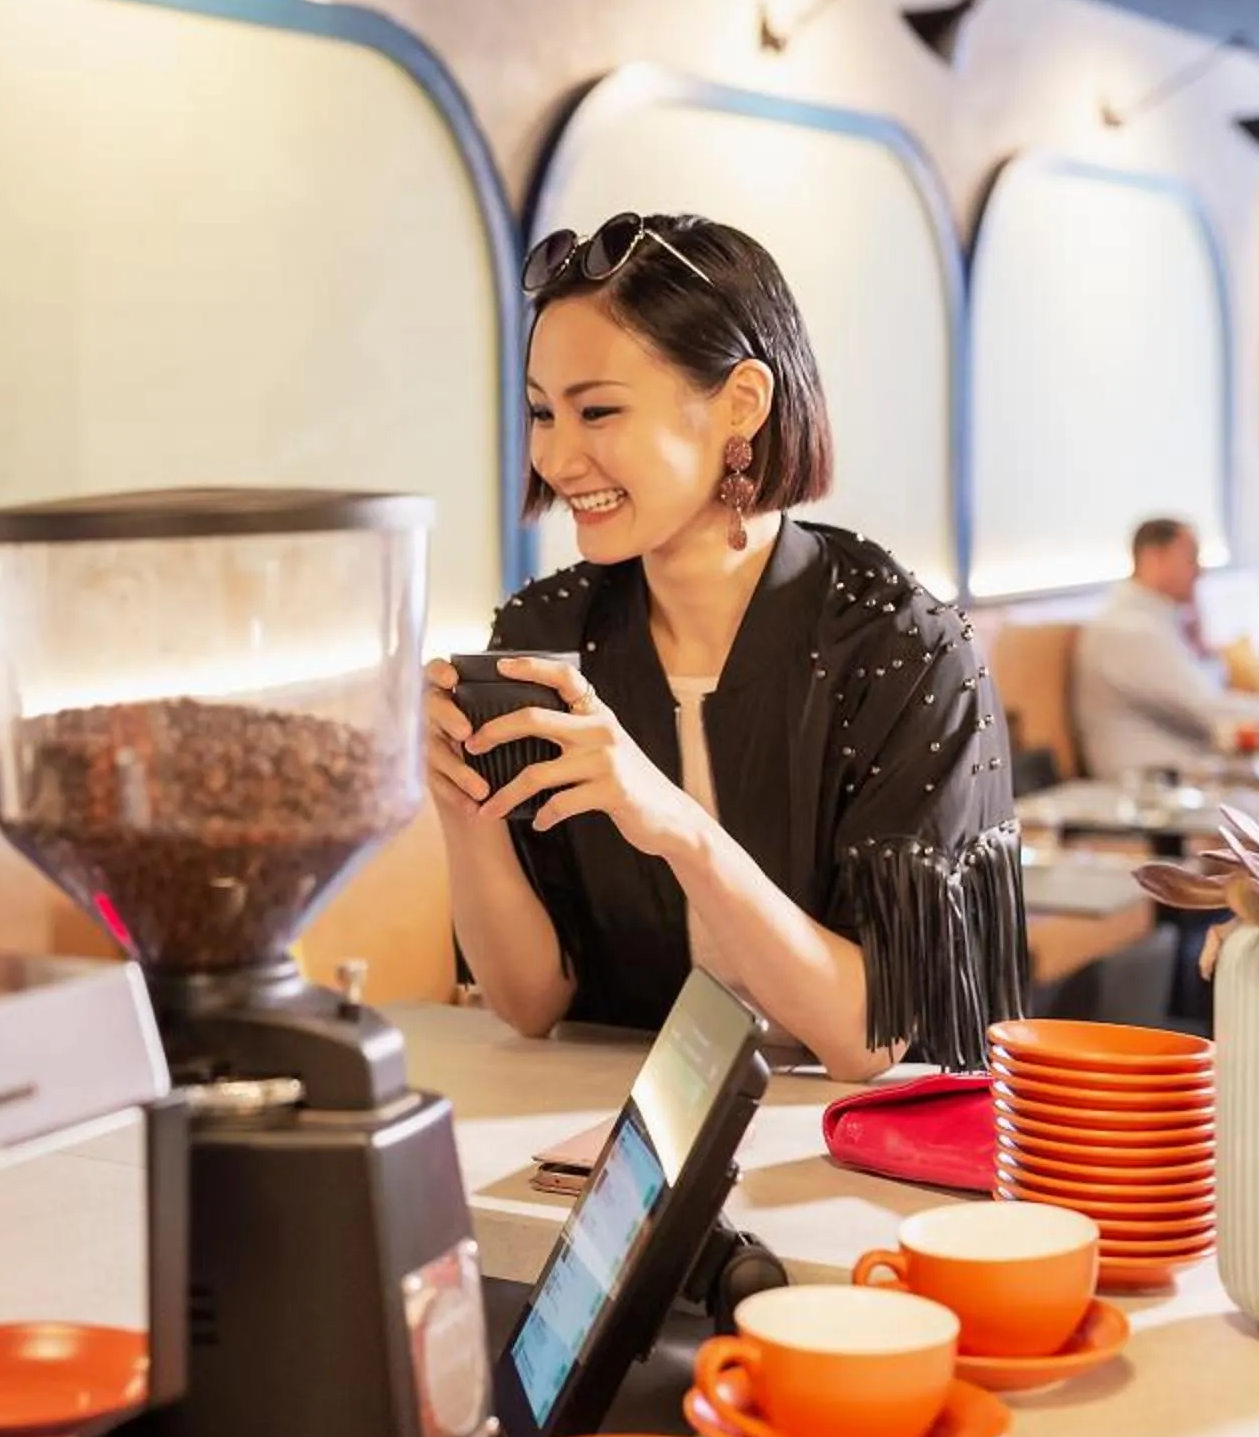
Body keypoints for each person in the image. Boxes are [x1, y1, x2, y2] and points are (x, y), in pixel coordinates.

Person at [424, 213, 1025, 1078]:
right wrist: (464, 809)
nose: (555, 457)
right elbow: (529, 1004)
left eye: (598, 411)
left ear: (741, 402)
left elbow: (868, 1037)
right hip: (636, 1127)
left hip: (858, 1137)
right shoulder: (546, 634)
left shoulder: (903, 649)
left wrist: (674, 823)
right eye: (542, 412)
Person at [1071, 519, 1259, 780]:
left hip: (1179, 774)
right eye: (1191, 559)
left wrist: (1202, 645)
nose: (1200, 572)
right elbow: (1209, 710)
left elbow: (1210, 693)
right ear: (1153, 558)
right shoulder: (1129, 631)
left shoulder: (1160, 622)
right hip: (1153, 784)